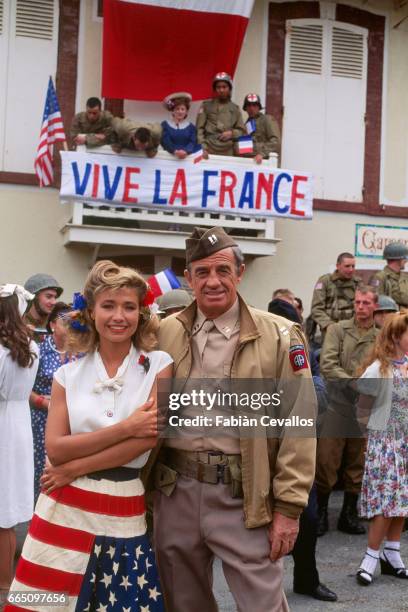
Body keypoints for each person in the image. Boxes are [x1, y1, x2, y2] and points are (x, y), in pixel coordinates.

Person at [143, 226, 317, 612]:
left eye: (223, 270)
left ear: (240, 274)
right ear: (188, 279)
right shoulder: (165, 333)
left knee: (262, 604)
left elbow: (299, 423)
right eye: (201, 272)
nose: (213, 281)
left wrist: (289, 508)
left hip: (246, 496)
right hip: (176, 493)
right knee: (183, 603)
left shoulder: (279, 335)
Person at [6, 261, 172, 612]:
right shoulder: (67, 374)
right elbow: (56, 448)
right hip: (63, 508)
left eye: (129, 307)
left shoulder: (160, 364)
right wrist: (126, 428)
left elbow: (147, 440)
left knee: (119, 602)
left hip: (122, 504)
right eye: (108, 306)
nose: (119, 316)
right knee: (46, 603)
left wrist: (71, 467)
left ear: (142, 313)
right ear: (91, 312)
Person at [267, 297, 336, 602]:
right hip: (261, 449)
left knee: (306, 521)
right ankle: (262, 590)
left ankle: (307, 579)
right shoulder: (257, 351)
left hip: (297, 449)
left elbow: (318, 395)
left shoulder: (304, 353)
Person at [316, 287, 378, 536]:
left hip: (366, 407)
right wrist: (353, 383)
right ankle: (320, 512)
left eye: (365, 303)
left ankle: (348, 514)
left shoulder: (381, 336)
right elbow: (328, 364)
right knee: (326, 460)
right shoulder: (337, 330)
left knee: (357, 461)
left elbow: (383, 366)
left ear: (375, 306)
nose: (360, 307)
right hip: (338, 403)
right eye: (357, 302)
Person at [355, 312, 408, 585]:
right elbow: (362, 409)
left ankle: (392, 553)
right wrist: (371, 439)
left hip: (406, 444)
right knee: (385, 502)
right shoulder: (379, 369)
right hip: (386, 444)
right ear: (396, 337)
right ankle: (370, 557)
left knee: (403, 501)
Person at [0, 285, 39, 600]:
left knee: (2, 513)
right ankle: (5, 579)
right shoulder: (31, 346)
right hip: (18, 422)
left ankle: (3, 583)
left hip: (3, 423)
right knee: (6, 512)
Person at [29, 302, 83, 503]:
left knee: (64, 470)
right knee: (38, 469)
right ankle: (36, 514)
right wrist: (45, 403)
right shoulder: (39, 350)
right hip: (39, 419)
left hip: (70, 422)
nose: (70, 325)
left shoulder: (82, 351)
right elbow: (24, 389)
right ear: (52, 325)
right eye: (65, 321)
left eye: (73, 321)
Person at [311, 252, 361, 343]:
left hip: (353, 332)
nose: (351, 269)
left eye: (353, 266)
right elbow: (316, 309)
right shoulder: (325, 281)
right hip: (330, 331)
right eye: (347, 266)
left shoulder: (358, 283)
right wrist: (329, 325)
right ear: (338, 266)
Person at [196, 72, 246, 158]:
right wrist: (202, 147)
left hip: (228, 150)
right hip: (209, 148)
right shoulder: (206, 105)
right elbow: (199, 129)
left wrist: (231, 133)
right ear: (215, 89)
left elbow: (242, 131)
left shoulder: (235, 108)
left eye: (224, 87)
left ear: (229, 89)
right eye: (218, 87)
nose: (221, 90)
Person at [23, 273, 63, 343]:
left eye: (55, 297)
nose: (54, 302)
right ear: (33, 298)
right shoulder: (17, 324)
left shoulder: (57, 324)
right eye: (48, 296)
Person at [241, 93, 281, 164]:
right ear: (245, 108)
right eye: (249, 105)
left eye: (254, 105)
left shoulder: (267, 119)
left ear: (259, 107)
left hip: (265, 162)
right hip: (250, 162)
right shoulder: (246, 124)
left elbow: (275, 141)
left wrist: (262, 153)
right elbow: (245, 148)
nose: (251, 108)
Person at [370, 242, 408, 308]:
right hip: (390, 315)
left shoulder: (405, 277)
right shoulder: (380, 277)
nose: (406, 260)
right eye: (405, 258)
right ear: (398, 259)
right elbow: (376, 299)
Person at [161, 92, 199, 158]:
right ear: (173, 111)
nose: (180, 112)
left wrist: (186, 151)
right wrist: (175, 151)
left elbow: (193, 142)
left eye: (182, 109)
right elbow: (165, 141)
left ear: (186, 111)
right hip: (169, 157)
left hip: (187, 158)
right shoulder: (165, 125)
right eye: (177, 109)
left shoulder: (191, 127)